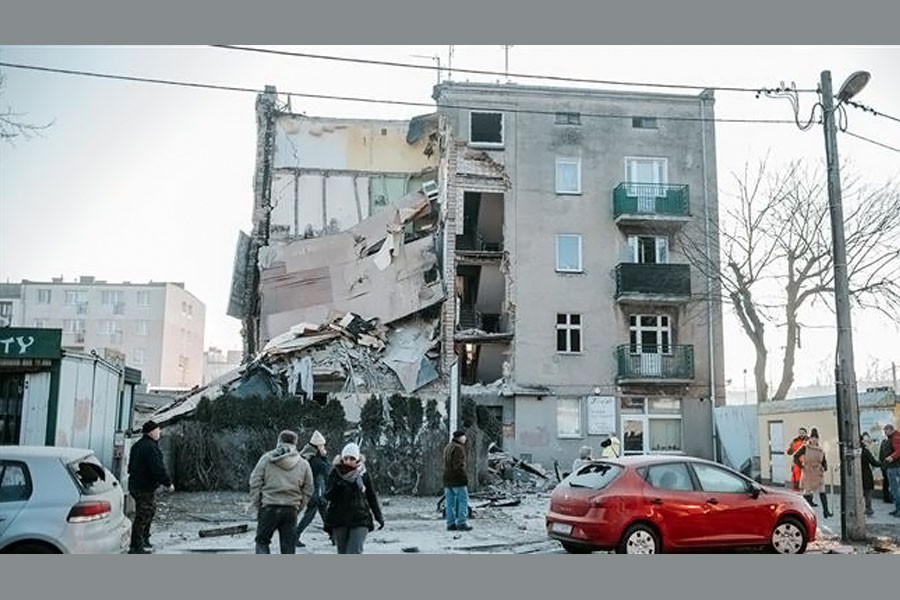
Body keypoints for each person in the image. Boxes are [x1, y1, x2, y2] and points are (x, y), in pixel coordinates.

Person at [248, 430, 314, 554]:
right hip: (291, 509)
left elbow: (254, 482)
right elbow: (309, 489)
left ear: (279, 441)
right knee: (288, 547)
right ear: (295, 443)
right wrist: (298, 507)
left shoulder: (266, 459)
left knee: (262, 542)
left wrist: (258, 504)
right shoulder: (303, 463)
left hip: (269, 506)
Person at [323, 442, 384, 554]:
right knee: (342, 552)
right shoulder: (335, 472)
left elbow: (371, 496)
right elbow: (327, 495)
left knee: (354, 551)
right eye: (345, 458)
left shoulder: (363, 474)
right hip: (339, 518)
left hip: (360, 517)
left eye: (352, 458)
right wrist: (338, 486)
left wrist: (378, 516)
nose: (348, 461)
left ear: (357, 459)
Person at [127, 420, 174, 554]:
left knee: (149, 511)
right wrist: (168, 483)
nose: (160, 433)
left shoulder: (138, 445)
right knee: (143, 515)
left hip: (136, 484)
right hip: (144, 487)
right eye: (158, 430)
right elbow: (158, 468)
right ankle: (136, 545)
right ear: (151, 432)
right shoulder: (151, 448)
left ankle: (144, 539)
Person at [295, 430, 330, 547]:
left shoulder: (307, 456)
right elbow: (326, 469)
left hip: (313, 490)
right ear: (318, 446)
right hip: (315, 491)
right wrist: (324, 456)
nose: (324, 448)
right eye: (322, 446)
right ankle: (295, 535)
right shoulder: (315, 460)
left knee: (324, 514)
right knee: (310, 514)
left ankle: (333, 536)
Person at [792, 428, 831, 518]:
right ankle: (803, 512)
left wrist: (825, 468)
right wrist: (801, 466)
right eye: (813, 438)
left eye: (816, 438)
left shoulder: (820, 449)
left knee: (822, 490)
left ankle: (826, 511)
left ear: (818, 439)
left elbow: (823, 461)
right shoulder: (805, 447)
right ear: (810, 438)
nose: (814, 440)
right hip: (808, 472)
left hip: (818, 472)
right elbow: (795, 456)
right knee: (807, 491)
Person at [443, 429, 471, 532]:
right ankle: (461, 522)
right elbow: (458, 466)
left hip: (447, 478)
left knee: (449, 503)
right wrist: (464, 478)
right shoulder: (458, 448)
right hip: (457, 479)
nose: (465, 438)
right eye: (464, 436)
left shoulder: (448, 447)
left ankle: (450, 523)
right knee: (463, 501)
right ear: (460, 438)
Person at [859, 432, 881, 517]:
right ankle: (868, 509)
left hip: (858, 476)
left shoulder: (856, 451)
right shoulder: (865, 451)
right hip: (866, 475)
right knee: (867, 493)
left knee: (861, 493)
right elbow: (873, 462)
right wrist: (883, 463)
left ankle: (862, 509)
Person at [882, 424, 900, 517]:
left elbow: (899, 450)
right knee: (894, 490)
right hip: (892, 467)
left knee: (895, 490)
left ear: (890, 430)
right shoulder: (892, 437)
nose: (885, 433)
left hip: (894, 467)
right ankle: (897, 508)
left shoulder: (895, 437)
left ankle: (899, 510)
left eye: (886, 431)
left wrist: (891, 457)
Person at [786, 427, 809, 494]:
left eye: (803, 433)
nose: (801, 434)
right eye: (800, 433)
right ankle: (796, 490)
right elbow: (789, 452)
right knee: (796, 475)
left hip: (806, 461)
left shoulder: (809, 441)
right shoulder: (795, 441)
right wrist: (790, 447)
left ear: (806, 433)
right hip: (796, 461)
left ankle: (807, 494)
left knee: (806, 477)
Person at [879, 428, 895, 504]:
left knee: (886, 482)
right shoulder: (891, 442)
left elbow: (880, 456)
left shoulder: (883, 443)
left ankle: (886, 497)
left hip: (885, 466)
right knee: (891, 483)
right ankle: (890, 497)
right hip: (891, 466)